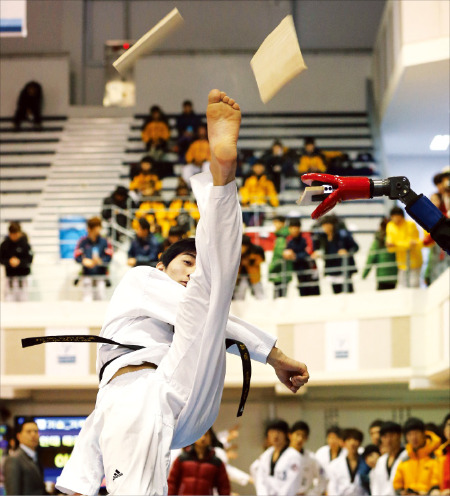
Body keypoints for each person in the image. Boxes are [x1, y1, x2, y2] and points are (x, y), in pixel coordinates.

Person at [55, 89, 309, 495]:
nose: (191, 272)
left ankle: (223, 179)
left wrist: (273, 356)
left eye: (194, 262)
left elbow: (213, 314)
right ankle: (217, 186)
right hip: (138, 393)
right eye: (184, 263)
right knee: (206, 302)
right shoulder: (141, 279)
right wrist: (274, 357)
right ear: (161, 266)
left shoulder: (196, 306)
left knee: (217, 282)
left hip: (185, 401)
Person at [168, 429, 230, 495]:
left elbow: (224, 488)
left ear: (211, 437)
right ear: (194, 436)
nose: (203, 438)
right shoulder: (182, 459)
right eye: (200, 433)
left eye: (206, 435)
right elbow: (172, 483)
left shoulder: (217, 462)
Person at [393, 417, 441, 496]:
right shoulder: (405, 460)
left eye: (416, 433)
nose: (413, 437)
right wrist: (402, 492)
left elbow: (436, 484)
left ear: (423, 434)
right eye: (409, 434)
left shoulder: (435, 457)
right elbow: (397, 485)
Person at [312, 215, 359, 294]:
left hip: (343, 270)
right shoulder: (323, 238)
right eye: (323, 225)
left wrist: (346, 252)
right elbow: (320, 250)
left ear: (332, 225)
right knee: (336, 294)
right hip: (332, 271)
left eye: (327, 225)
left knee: (348, 292)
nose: (325, 227)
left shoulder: (342, 235)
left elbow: (355, 247)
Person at [3, 418, 47, 495]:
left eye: (35, 431)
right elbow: (13, 493)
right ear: (19, 436)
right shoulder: (14, 459)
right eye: (28, 432)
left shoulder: (35, 457)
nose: (33, 435)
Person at [74, 217, 113, 301]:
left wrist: (101, 261)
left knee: (101, 297)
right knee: (87, 299)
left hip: (101, 274)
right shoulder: (83, 242)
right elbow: (77, 256)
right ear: (90, 228)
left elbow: (109, 256)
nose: (99, 229)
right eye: (96, 227)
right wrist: (84, 261)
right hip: (87, 274)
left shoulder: (104, 241)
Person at [386, 206, 423, 288]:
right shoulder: (390, 226)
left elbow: (413, 244)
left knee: (414, 285)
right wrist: (402, 245)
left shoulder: (410, 225)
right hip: (401, 263)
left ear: (402, 217)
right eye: (393, 218)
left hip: (414, 261)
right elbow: (390, 247)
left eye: (398, 219)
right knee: (402, 287)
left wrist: (396, 244)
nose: (396, 221)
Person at [283, 219, 320, 297]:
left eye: (296, 228)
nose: (294, 230)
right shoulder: (289, 239)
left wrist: (296, 256)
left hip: (310, 268)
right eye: (292, 228)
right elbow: (286, 252)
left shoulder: (306, 236)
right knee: (303, 293)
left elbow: (310, 251)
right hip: (299, 270)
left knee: (314, 292)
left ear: (299, 228)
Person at [289, 421, 327, 496]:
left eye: (303, 436)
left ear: (307, 438)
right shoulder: (282, 456)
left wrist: (313, 493)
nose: (300, 439)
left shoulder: (310, 458)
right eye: (297, 434)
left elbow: (323, 477)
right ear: (290, 435)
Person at [254, 419, 291, 495]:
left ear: (286, 434)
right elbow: (261, 480)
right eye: (272, 432)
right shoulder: (266, 455)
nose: (275, 435)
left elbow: (291, 484)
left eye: (279, 432)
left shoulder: (293, 455)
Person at [370, 421, 407, 496]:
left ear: (399, 435)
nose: (388, 440)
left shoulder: (407, 456)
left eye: (392, 435)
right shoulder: (381, 460)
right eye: (385, 437)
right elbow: (376, 486)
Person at [0, 222, 33, 302]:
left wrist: (19, 262)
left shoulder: (25, 244)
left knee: (24, 300)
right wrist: (9, 261)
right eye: (12, 234)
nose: (14, 236)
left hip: (23, 277)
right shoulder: (5, 244)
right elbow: (1, 259)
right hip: (10, 277)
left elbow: (29, 259)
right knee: (9, 300)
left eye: (16, 234)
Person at [240, 162, 279, 226]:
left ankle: (254, 226)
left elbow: (271, 192)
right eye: (256, 167)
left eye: (260, 167)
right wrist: (246, 202)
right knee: (245, 211)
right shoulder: (248, 179)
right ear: (253, 168)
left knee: (262, 212)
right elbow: (245, 191)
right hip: (251, 203)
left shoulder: (267, 179)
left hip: (262, 203)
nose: (258, 169)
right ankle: (250, 227)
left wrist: (274, 203)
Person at [362, 219, 398, 290]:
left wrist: (364, 274)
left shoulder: (378, 240)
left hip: (382, 276)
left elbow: (371, 258)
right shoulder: (395, 239)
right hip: (394, 276)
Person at [327, 428, 364, 496]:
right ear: (343, 443)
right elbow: (332, 489)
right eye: (349, 440)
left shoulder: (366, 463)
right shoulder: (334, 465)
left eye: (355, 440)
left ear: (360, 443)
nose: (352, 443)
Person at [233, 235, 265, 300]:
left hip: (254, 276)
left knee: (259, 293)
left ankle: (263, 305)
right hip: (241, 276)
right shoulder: (236, 252)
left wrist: (249, 262)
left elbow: (261, 259)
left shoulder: (256, 250)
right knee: (240, 293)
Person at [268, 215, 293, 298]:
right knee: (279, 295)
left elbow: (281, 254)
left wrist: (272, 267)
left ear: (282, 223)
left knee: (280, 296)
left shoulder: (282, 237)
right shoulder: (280, 236)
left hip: (280, 270)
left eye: (276, 222)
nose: (274, 225)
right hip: (279, 270)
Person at [435, 413, 450, 495]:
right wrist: (434, 489)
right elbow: (434, 479)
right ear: (444, 431)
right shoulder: (438, 454)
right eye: (449, 425)